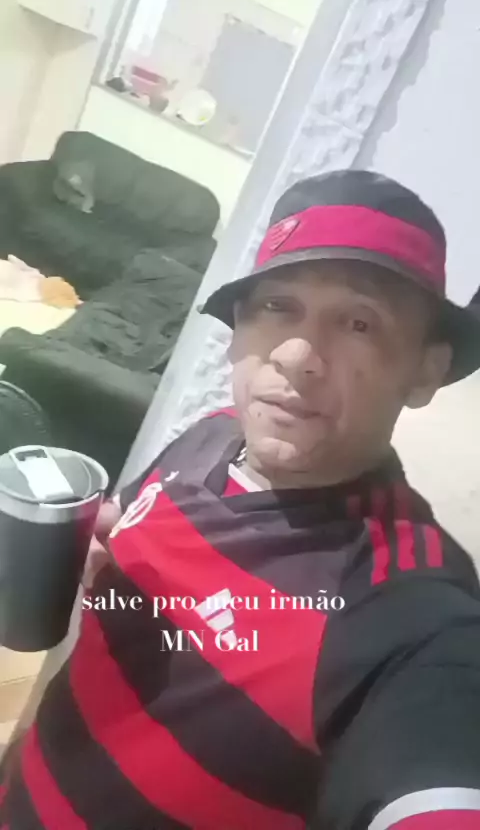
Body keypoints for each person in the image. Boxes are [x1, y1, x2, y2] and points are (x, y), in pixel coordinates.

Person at [2, 170, 480, 830]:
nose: (296, 355)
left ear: (425, 371)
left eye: (359, 322)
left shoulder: (408, 617)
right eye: (277, 306)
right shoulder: (209, 436)